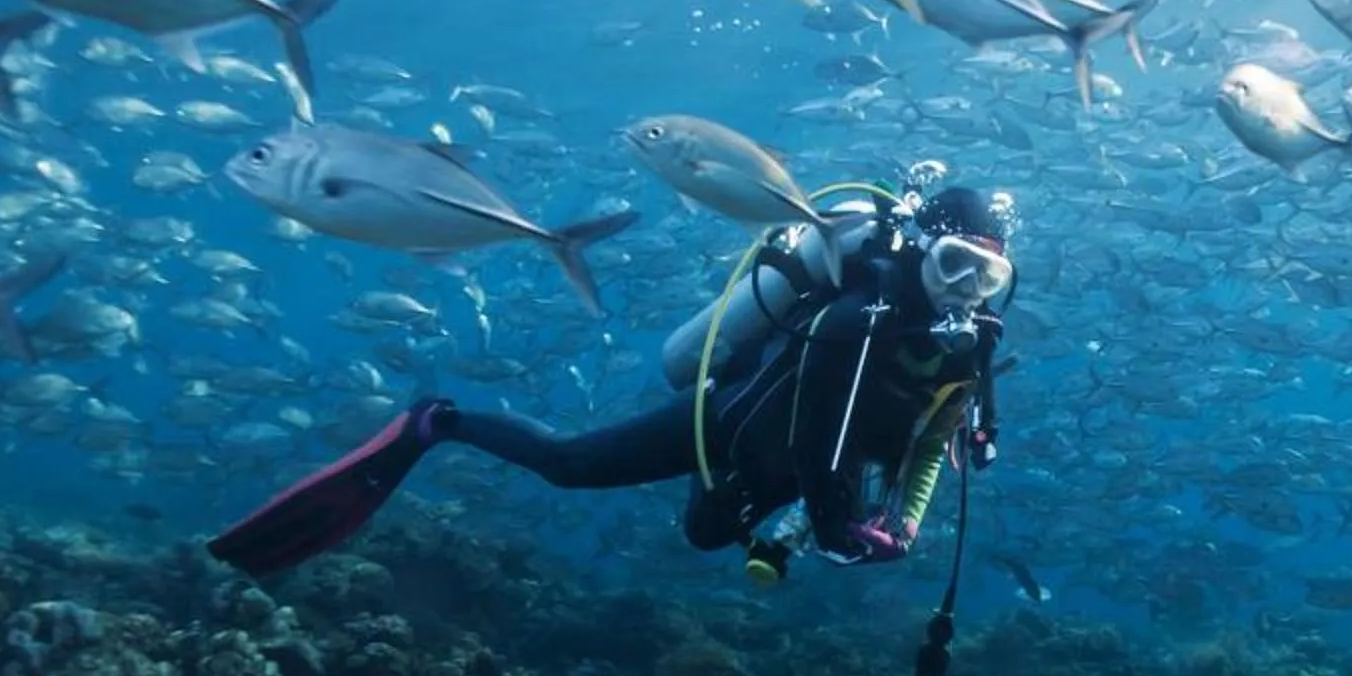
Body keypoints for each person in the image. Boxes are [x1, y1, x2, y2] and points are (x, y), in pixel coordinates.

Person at [207, 177, 1014, 583]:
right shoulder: (856, 314)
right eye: (954, 265)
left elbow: (936, 443)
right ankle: (435, 423)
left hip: (794, 475)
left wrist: (901, 526)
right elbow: (816, 439)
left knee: (702, 536)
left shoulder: (970, 344)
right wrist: (837, 525)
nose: (965, 291)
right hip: (731, 424)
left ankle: (772, 519)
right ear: (917, 250)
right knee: (572, 466)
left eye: (987, 277)